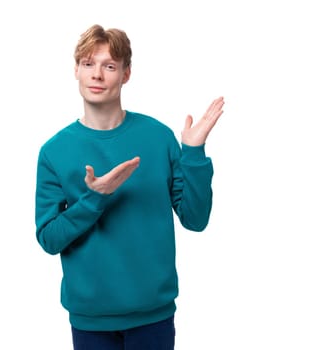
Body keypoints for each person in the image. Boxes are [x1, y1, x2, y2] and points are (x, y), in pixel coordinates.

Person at [35, 23, 224, 350]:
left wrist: (193, 154)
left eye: (109, 66)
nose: (97, 74)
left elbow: (196, 220)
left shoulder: (158, 137)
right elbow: (49, 239)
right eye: (88, 64)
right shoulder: (54, 152)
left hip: (153, 314)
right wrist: (94, 200)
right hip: (90, 317)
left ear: (126, 74)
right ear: (76, 71)